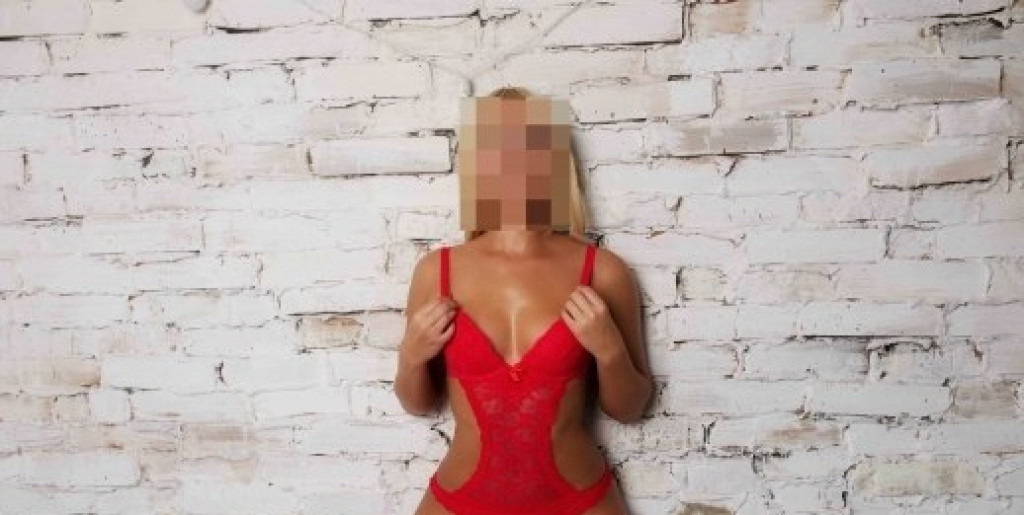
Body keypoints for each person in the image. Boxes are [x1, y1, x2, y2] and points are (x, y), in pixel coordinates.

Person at [394, 86, 652, 515]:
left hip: (578, 503)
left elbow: (631, 409)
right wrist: (410, 357)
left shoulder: (603, 271)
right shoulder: (436, 272)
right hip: (462, 502)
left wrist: (610, 351)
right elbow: (418, 404)